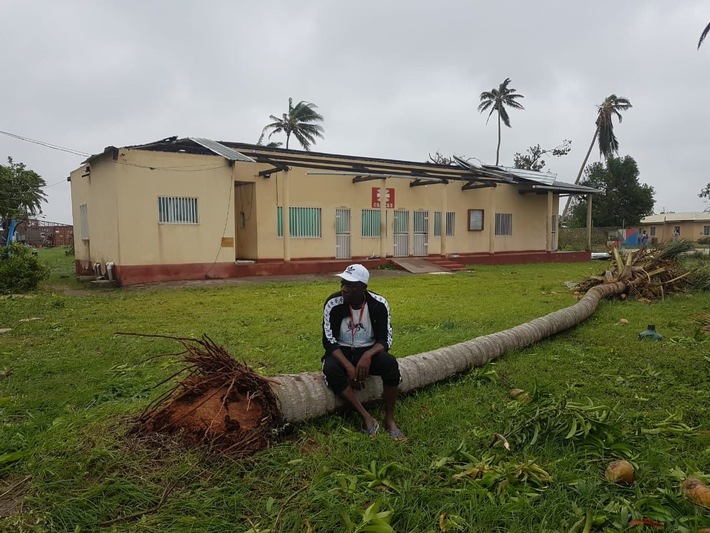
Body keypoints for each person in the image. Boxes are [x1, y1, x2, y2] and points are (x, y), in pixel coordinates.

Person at [321, 264, 405, 440]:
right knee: (330, 368)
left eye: (351, 286)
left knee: (390, 364)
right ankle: (366, 417)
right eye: (343, 283)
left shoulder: (378, 304)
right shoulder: (333, 303)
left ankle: (389, 418)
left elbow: (385, 339)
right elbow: (328, 341)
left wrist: (368, 355)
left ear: (363, 288)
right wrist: (348, 367)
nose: (344, 289)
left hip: (368, 351)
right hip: (341, 352)